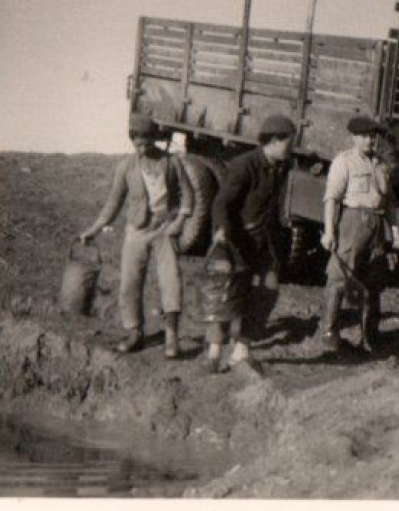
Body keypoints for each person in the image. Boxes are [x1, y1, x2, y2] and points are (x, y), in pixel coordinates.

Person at [79, 112, 196, 358]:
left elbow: (188, 194)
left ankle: (171, 337)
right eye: (137, 143)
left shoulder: (172, 162)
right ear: (132, 140)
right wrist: (94, 229)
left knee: (170, 280)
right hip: (137, 230)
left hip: (166, 229)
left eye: (146, 142)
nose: (142, 148)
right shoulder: (125, 167)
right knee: (130, 282)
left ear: (154, 139)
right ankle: (134, 332)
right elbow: (113, 203)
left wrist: (181, 220)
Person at [209, 113, 296, 375]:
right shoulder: (244, 165)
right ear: (272, 141)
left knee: (268, 288)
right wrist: (222, 229)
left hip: (262, 240)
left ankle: (242, 349)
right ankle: (214, 351)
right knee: (227, 294)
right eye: (287, 142)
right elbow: (222, 203)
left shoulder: (282, 166)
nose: (290, 148)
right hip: (236, 240)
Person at [320, 115, 399, 353]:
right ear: (354, 137)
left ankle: (369, 336)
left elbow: (389, 203)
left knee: (373, 283)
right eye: (365, 136)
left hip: (376, 225)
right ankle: (330, 334)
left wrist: (395, 232)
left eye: (373, 136)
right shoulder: (344, 162)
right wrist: (329, 231)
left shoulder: (381, 165)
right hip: (353, 222)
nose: (370, 141)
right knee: (339, 279)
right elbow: (332, 199)